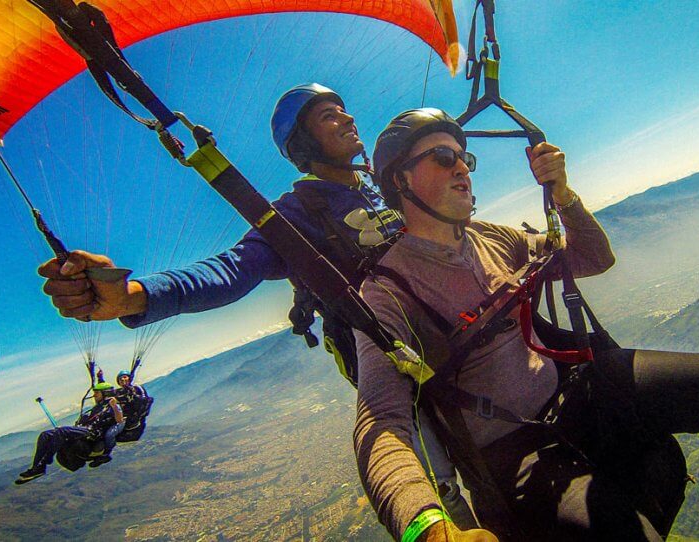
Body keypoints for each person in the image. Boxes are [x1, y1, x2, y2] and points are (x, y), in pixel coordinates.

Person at [351, 108, 699, 542]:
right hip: (516, 448)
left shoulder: (490, 237)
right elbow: (380, 420)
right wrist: (424, 524)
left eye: (463, 155)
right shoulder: (388, 290)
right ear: (400, 179)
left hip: (582, 391)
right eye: (443, 157)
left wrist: (563, 194)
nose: (463, 167)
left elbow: (592, 257)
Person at [35, 84, 474, 526]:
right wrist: (136, 297)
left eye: (343, 109)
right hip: (394, 365)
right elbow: (231, 270)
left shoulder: (387, 190)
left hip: (454, 332)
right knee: (442, 484)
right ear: (302, 142)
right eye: (328, 116)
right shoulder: (293, 215)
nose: (347, 119)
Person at [16, 382, 125, 484]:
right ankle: (37, 467)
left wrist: (115, 406)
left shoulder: (112, 406)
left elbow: (119, 420)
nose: (94, 395)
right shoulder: (99, 406)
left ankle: (45, 460)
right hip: (83, 430)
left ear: (105, 393)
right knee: (45, 435)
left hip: (92, 434)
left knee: (61, 431)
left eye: (97, 393)